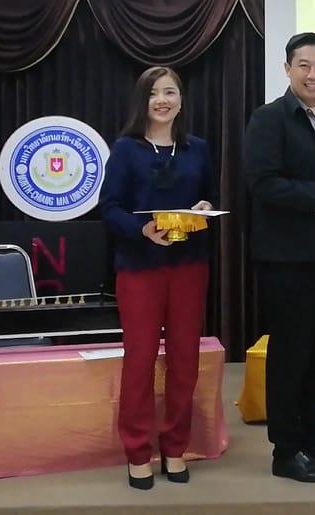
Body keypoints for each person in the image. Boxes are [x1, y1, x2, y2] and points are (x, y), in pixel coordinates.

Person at [243, 32, 315, 484]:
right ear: (287, 69)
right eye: (305, 66)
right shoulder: (269, 119)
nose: (314, 74)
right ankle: (286, 452)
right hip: (288, 257)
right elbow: (264, 184)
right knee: (291, 354)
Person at [98, 66, 216, 490]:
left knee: (185, 359)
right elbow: (109, 208)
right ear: (143, 101)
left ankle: (175, 446)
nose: (162, 100)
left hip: (189, 266)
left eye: (170, 92)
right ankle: (137, 451)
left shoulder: (198, 149)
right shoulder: (126, 149)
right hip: (140, 268)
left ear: (181, 101)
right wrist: (141, 229)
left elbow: (209, 198)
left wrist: (204, 207)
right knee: (140, 359)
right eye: (154, 93)